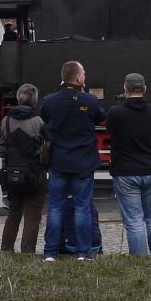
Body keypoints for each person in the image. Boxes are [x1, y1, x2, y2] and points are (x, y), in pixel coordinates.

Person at [40, 60, 107, 261]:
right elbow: (100, 117)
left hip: (58, 161)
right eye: (83, 73)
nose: (85, 76)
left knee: (55, 207)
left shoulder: (50, 101)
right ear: (78, 78)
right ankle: (83, 252)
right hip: (83, 163)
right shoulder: (90, 100)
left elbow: (44, 119)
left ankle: (50, 252)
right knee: (82, 208)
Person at [106, 73, 151, 256]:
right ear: (144, 89)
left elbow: (110, 129)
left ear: (125, 89)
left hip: (125, 172)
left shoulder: (115, 113)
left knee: (134, 221)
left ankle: (140, 261)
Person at [0, 84, 46, 254]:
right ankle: (27, 252)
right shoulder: (39, 121)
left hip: (12, 174)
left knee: (13, 214)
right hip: (34, 173)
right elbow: (46, 147)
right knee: (33, 216)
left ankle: (6, 249)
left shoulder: (6, 120)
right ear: (35, 100)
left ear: (18, 98)